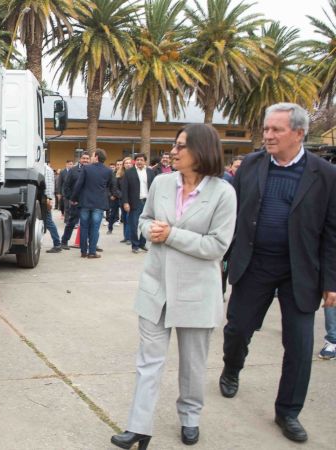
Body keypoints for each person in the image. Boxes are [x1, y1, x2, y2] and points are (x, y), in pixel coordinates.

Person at [111, 124, 237, 449]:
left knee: (193, 365)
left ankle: (190, 417)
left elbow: (217, 247)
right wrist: (148, 228)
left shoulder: (223, 193)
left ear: (202, 151)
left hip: (197, 293)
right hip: (155, 290)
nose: (174, 151)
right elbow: (144, 218)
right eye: (174, 145)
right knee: (148, 363)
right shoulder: (163, 183)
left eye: (182, 146)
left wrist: (171, 235)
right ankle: (139, 427)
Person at [219, 103, 336, 443]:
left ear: (298, 133)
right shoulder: (251, 165)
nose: (268, 135)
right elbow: (234, 216)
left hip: (300, 272)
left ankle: (288, 411)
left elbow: (332, 232)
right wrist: (223, 261)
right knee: (238, 329)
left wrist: (331, 281)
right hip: (254, 265)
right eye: (266, 129)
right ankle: (232, 368)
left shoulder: (325, 175)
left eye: (276, 130)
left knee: (299, 346)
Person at [70, 149, 113, 258]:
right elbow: (109, 185)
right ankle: (92, 252)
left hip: (85, 202)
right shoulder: (108, 171)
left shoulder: (86, 168)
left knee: (84, 227)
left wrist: (74, 198)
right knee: (95, 228)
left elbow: (79, 185)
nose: (91, 158)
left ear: (97, 157)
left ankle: (83, 251)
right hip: (98, 203)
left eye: (93, 156)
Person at [121, 153, 156, 254]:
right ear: (135, 161)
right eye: (137, 160)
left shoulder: (150, 172)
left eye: (141, 160)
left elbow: (154, 187)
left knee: (146, 224)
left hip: (147, 202)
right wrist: (125, 202)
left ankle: (142, 243)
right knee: (134, 224)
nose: (139, 162)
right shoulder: (129, 172)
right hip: (134, 202)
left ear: (145, 161)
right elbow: (125, 189)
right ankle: (135, 245)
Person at [60, 153, 88, 249]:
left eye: (87, 159)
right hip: (76, 201)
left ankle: (87, 243)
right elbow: (66, 186)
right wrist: (71, 199)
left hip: (88, 202)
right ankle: (64, 241)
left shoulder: (91, 170)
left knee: (88, 223)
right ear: (80, 159)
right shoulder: (73, 170)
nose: (85, 160)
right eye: (84, 158)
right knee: (72, 222)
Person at [42, 164, 63, 253]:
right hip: (44, 199)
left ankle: (57, 244)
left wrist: (48, 200)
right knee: (48, 221)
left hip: (44, 199)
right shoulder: (46, 168)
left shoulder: (45, 169)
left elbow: (48, 187)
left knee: (49, 222)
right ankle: (57, 243)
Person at [118, 157, 133, 243]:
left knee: (129, 218)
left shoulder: (134, 173)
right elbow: (116, 187)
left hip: (131, 200)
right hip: (122, 199)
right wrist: (121, 195)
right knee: (124, 219)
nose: (128, 164)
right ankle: (126, 237)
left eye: (129, 163)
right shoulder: (120, 175)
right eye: (126, 163)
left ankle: (129, 237)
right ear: (123, 165)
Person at [107, 160, 123, 234]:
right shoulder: (111, 174)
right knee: (112, 214)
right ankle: (110, 228)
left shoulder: (125, 174)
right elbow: (107, 186)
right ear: (116, 165)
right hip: (114, 197)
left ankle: (126, 235)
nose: (119, 166)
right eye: (118, 164)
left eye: (120, 164)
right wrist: (110, 195)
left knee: (125, 216)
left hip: (123, 197)